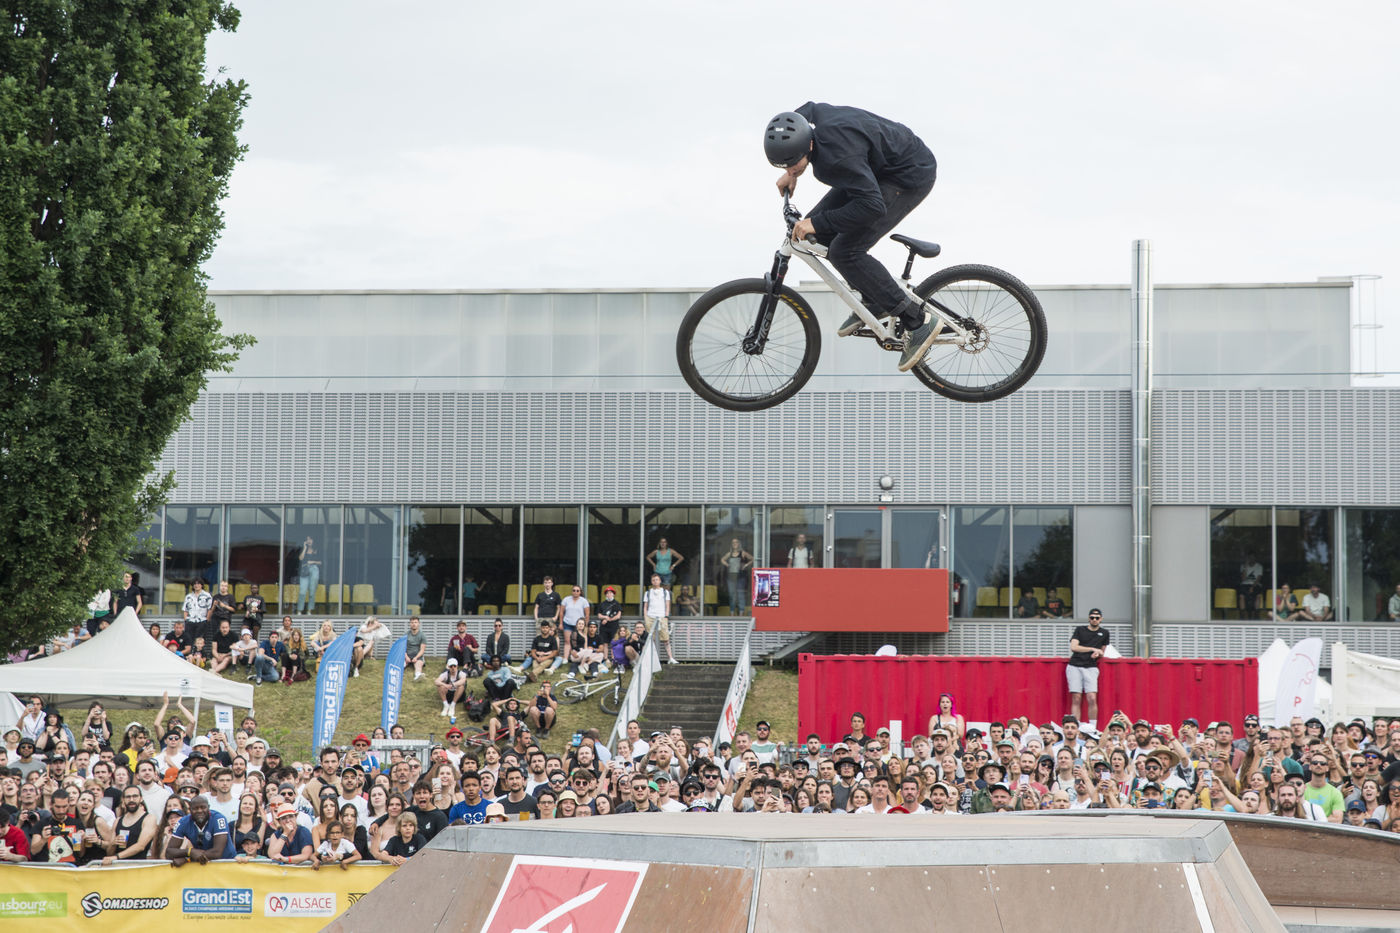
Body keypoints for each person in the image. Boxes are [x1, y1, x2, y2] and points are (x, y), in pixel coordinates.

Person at [765, 104, 939, 373]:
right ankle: (874, 298)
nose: (789, 168)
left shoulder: (835, 162)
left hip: (908, 174)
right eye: (783, 165)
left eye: (792, 162)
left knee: (845, 251)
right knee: (814, 233)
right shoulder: (813, 118)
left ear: (807, 146)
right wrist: (792, 172)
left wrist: (817, 222)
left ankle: (917, 320)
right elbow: (803, 110)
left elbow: (872, 206)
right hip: (874, 168)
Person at [1067, 608, 1110, 727]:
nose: (1094, 620)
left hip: (1091, 666)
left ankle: (1092, 727)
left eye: (1097, 618)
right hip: (1075, 665)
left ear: (1101, 619)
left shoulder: (1105, 633)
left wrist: (1097, 653)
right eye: (1092, 617)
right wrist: (1092, 649)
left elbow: (1102, 652)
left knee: (1091, 697)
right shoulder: (1080, 630)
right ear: (1089, 618)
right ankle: (1075, 726)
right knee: (1076, 697)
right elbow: (1074, 647)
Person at [165, 796, 233, 865]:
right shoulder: (183, 822)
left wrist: (188, 858)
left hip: (227, 863)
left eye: (203, 807)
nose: (199, 811)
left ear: (208, 807)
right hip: (202, 866)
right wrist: (189, 852)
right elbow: (169, 852)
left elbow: (217, 853)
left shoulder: (218, 819)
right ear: (190, 809)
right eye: (195, 808)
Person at [643, 573, 678, 664]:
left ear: (660, 581)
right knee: (651, 639)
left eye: (657, 580)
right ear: (651, 582)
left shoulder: (665, 592)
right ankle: (652, 659)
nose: (655, 581)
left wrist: (666, 616)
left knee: (666, 638)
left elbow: (667, 605)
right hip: (650, 617)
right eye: (653, 580)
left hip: (662, 617)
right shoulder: (648, 593)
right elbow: (645, 606)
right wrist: (646, 617)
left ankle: (670, 658)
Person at [720, 539, 753, 616]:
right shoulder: (729, 553)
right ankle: (732, 613)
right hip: (731, 577)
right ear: (731, 544)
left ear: (739, 544)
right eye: (733, 542)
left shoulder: (743, 553)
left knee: (740, 595)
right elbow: (722, 559)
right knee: (732, 595)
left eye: (736, 542)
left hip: (740, 577)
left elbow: (752, 559)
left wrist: (746, 565)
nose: (735, 543)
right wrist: (727, 565)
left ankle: (741, 613)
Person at [559, 585, 590, 665]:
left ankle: (579, 658)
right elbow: (561, 612)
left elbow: (587, 615)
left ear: (580, 592)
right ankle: (566, 658)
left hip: (579, 625)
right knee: (567, 641)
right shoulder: (566, 599)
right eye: (574, 590)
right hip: (567, 623)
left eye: (577, 591)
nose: (575, 592)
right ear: (572, 591)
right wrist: (561, 623)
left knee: (579, 642)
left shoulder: (584, 601)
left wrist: (586, 626)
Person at [295, 536, 321, 614]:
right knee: (302, 591)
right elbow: (300, 558)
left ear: (313, 540)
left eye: (310, 539)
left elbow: (320, 562)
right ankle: (299, 610)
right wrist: (305, 548)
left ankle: (309, 610)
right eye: (307, 539)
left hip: (314, 569)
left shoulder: (317, 549)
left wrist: (312, 562)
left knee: (312, 592)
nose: (309, 541)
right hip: (304, 570)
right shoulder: (303, 549)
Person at [1238, 554, 1264, 620]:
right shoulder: (1243, 566)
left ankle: (1256, 614)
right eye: (1250, 558)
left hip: (1255, 584)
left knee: (1258, 596)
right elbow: (1243, 578)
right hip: (1245, 584)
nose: (1251, 559)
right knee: (1241, 596)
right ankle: (1243, 614)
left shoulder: (1259, 566)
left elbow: (1258, 578)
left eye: (1253, 557)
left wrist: (1252, 587)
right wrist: (1245, 567)